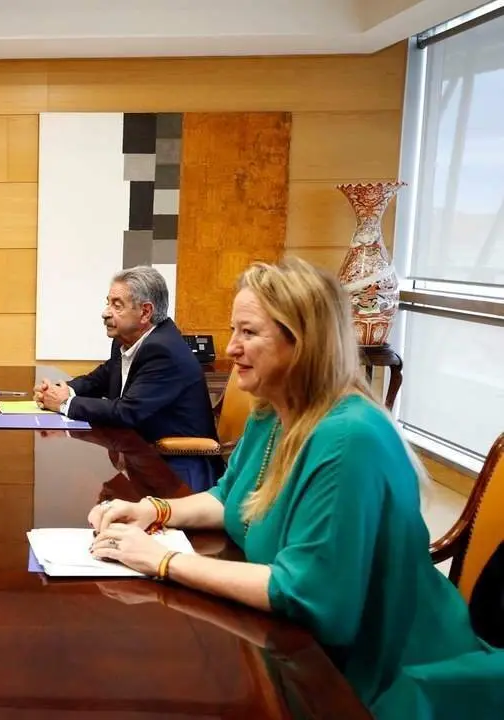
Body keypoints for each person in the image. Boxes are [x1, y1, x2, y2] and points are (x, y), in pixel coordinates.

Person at [86, 258, 504, 718]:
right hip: (294, 645)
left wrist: (162, 560)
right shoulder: (274, 411)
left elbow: (304, 594)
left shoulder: (350, 438)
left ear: (302, 342)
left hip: (377, 676)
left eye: (249, 333)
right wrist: (153, 510)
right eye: (233, 331)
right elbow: (228, 499)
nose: (231, 347)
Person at [35, 266, 218, 490]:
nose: (105, 312)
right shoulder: (128, 341)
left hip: (176, 469)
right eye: (108, 302)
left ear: (145, 312)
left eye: (116, 305)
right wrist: (61, 390)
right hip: (140, 456)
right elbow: (99, 379)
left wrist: (65, 402)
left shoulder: (163, 351)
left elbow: (127, 412)